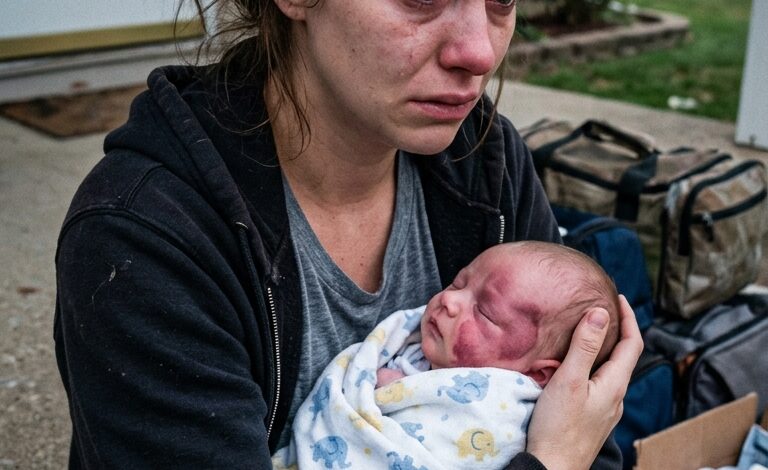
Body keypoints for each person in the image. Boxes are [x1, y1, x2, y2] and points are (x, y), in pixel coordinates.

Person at [53, 0, 643, 468]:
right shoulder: (144, 239)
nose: (480, 52)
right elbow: (568, 448)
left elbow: (589, 433)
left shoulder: (486, 161)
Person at [272, 241, 621, 469]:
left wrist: (390, 391)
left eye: (485, 312)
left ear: (538, 375)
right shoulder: (418, 346)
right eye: (459, 282)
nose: (450, 300)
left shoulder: (503, 412)